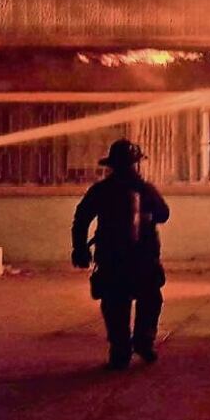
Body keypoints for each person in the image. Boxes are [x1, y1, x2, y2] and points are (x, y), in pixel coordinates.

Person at [71, 139, 170, 370]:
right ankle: (141, 343)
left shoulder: (102, 190)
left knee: (118, 303)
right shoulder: (144, 189)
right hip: (140, 256)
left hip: (114, 256)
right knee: (147, 300)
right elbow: (164, 214)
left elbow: (81, 220)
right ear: (136, 164)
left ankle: (123, 348)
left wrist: (80, 248)